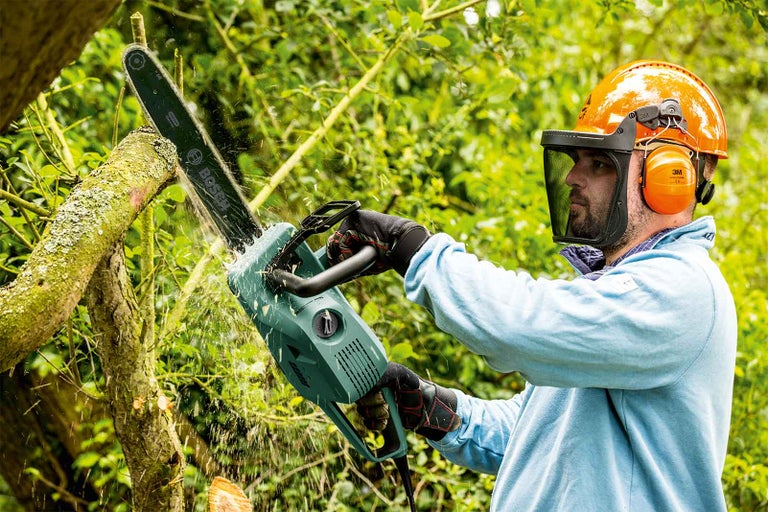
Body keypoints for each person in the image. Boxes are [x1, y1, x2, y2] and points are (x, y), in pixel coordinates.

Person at [326, 60, 737, 511]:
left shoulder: (682, 291)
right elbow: (540, 437)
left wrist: (412, 249)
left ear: (669, 177)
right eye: (576, 161)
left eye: (600, 163)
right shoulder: (612, 294)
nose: (573, 178)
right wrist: (434, 409)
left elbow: (518, 324)